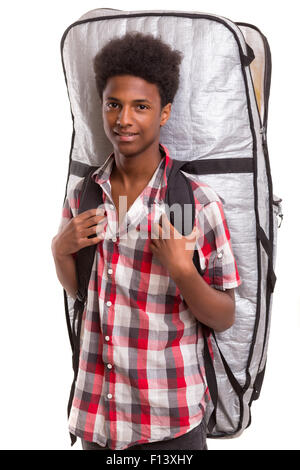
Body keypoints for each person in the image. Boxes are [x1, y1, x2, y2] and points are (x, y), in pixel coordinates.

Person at [51, 32, 241, 451]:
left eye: (141, 106)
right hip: (98, 419)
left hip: (169, 424)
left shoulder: (193, 203)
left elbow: (224, 316)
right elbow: (83, 291)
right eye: (113, 104)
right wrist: (59, 250)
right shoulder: (84, 195)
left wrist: (182, 271)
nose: (124, 119)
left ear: (165, 112)